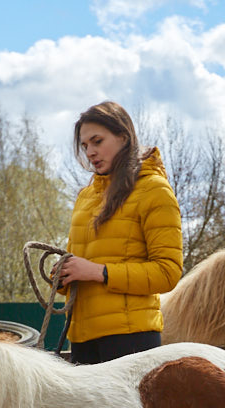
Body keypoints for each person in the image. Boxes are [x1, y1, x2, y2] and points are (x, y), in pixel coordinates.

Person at [55, 101, 183, 364]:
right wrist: (62, 277)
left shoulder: (154, 190)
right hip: (81, 338)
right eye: (84, 145)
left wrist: (98, 272)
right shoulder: (85, 197)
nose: (90, 152)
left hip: (131, 338)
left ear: (123, 137)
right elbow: (79, 265)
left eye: (97, 141)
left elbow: (168, 272)